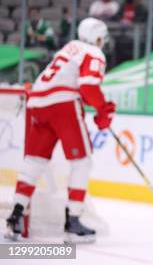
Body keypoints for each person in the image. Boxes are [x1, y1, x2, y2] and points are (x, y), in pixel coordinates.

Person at [5, 18, 116, 243]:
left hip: (36, 104)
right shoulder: (94, 53)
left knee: (34, 162)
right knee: (82, 162)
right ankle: (73, 224)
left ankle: (15, 218)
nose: (103, 42)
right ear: (97, 37)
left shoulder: (69, 47)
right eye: (102, 37)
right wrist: (104, 110)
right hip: (62, 104)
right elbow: (88, 86)